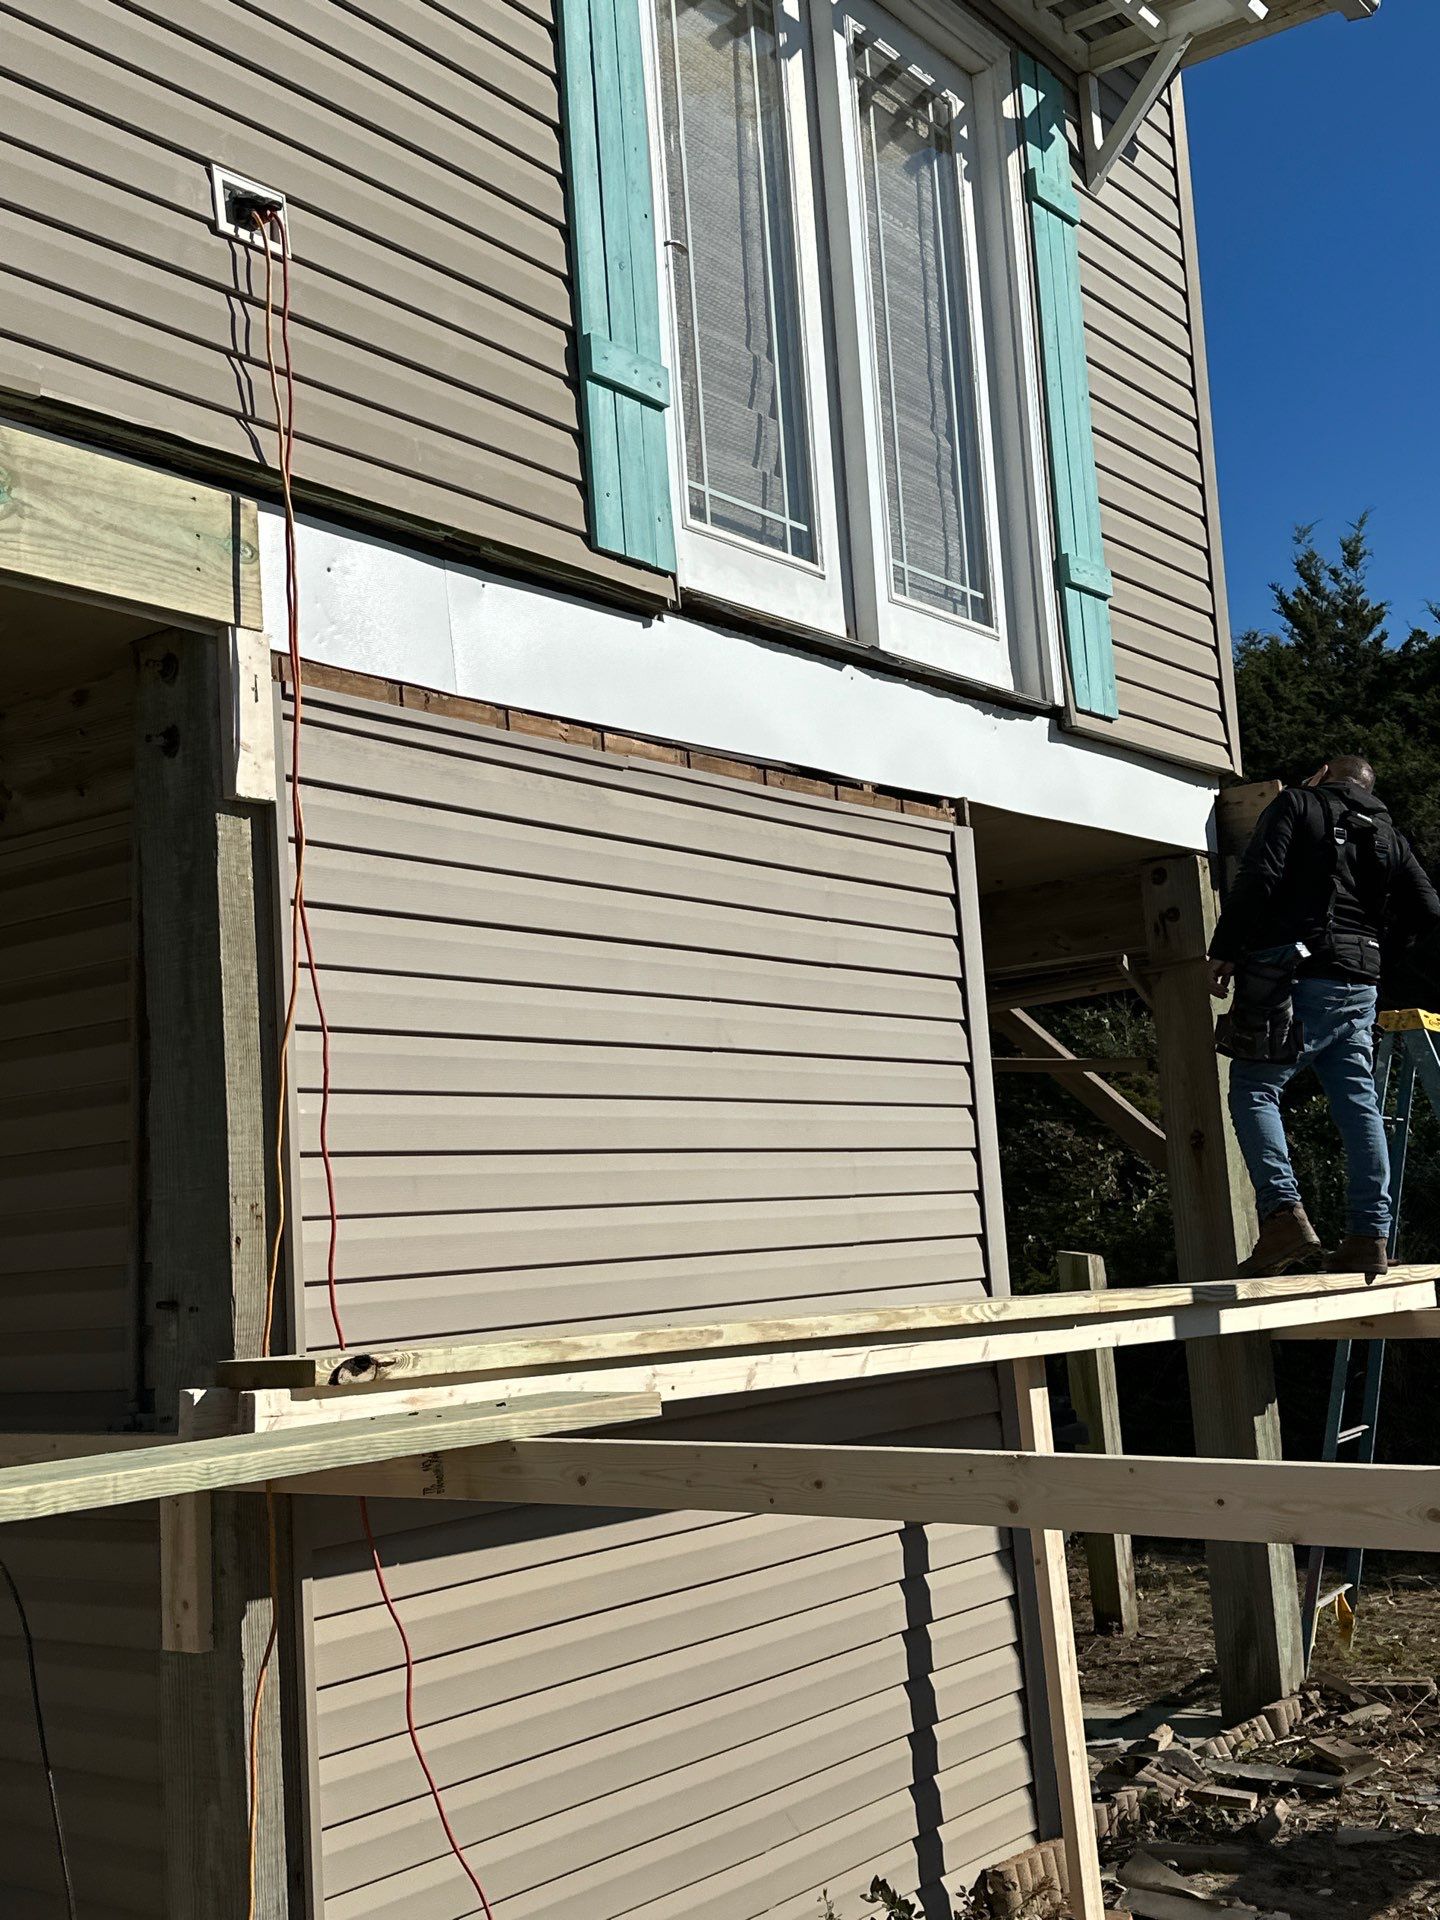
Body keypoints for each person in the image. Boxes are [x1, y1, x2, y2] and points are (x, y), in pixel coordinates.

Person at [1209, 755, 1440, 1278]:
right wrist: (1377, 950)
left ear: (1325, 772)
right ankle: (1368, 1237)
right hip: (1361, 982)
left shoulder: (1298, 803)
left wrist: (1224, 948)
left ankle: (1283, 1217)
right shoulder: (1387, 832)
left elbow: (1260, 874)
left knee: (1253, 1086)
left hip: (1295, 974)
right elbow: (1428, 907)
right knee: (1359, 1104)